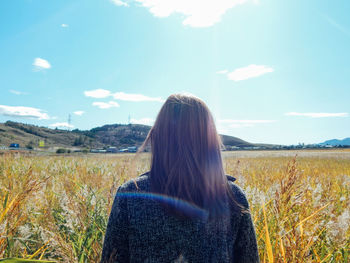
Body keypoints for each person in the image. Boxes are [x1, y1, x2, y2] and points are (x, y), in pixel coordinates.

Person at [100, 94, 259, 263]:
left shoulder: (131, 194)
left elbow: (111, 259)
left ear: (158, 137)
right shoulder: (232, 196)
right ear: (210, 140)